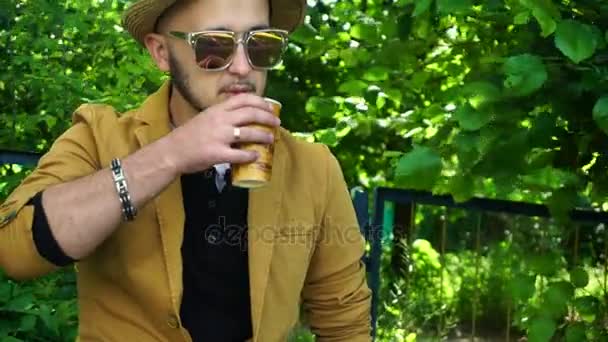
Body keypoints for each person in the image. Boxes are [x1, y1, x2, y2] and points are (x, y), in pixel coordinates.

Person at [0, 0, 372, 340]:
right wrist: (171, 155)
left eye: (260, 44)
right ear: (161, 52)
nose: (243, 66)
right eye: (214, 45)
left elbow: (345, 321)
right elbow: (15, 251)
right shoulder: (100, 138)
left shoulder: (311, 168)